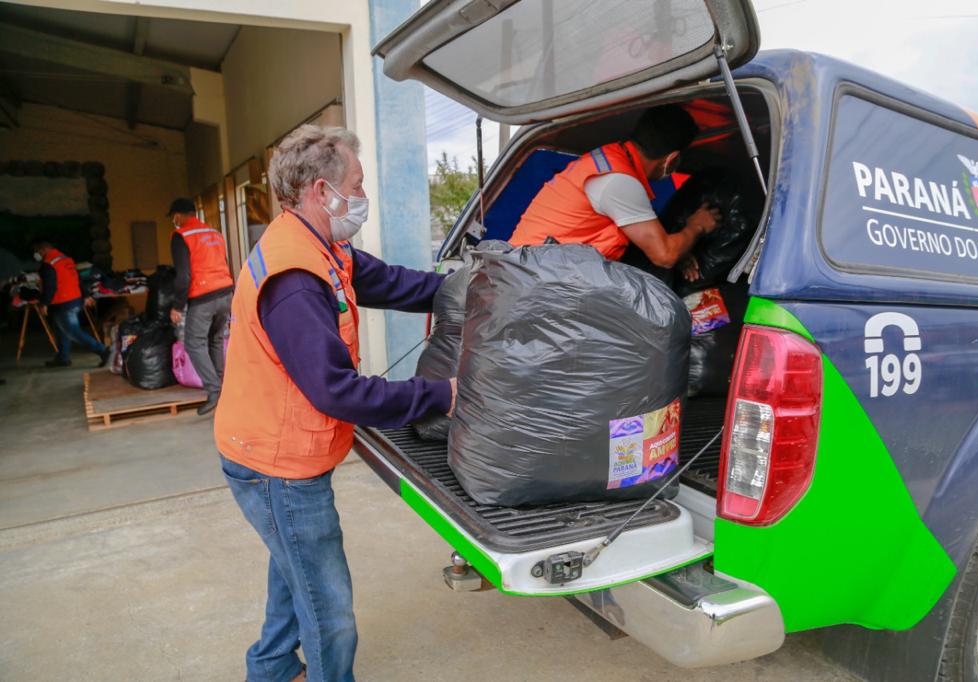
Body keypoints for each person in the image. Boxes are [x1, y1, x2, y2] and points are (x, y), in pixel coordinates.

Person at [214, 124, 456, 682]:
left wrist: (467, 284)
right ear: (322, 192)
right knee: (329, 606)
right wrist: (440, 394)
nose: (362, 195)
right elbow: (337, 391)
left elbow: (394, 283)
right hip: (273, 463)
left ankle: (272, 668)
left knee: (292, 567)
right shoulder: (294, 277)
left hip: (273, 448)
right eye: (357, 183)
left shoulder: (321, 244)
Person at [509, 104, 721, 273]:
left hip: (531, 269)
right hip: (538, 279)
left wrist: (681, 250)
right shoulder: (618, 181)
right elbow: (664, 255)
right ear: (671, 159)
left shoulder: (607, 160)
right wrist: (696, 226)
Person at [167, 198, 234, 415]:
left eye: (174, 217)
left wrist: (177, 306)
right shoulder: (214, 233)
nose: (174, 221)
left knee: (194, 342)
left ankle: (214, 391)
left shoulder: (181, 236)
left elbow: (183, 275)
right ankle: (223, 389)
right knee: (215, 338)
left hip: (203, 296)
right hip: (226, 292)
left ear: (179, 215)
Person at [32, 239, 109, 368]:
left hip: (63, 302)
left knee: (72, 331)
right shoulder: (66, 259)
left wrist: (43, 303)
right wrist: (85, 295)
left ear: (44, 250)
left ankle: (103, 350)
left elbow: (50, 286)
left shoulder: (48, 264)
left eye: (37, 251)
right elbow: (77, 279)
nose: (36, 254)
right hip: (73, 299)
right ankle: (63, 358)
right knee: (60, 329)